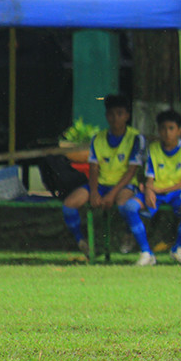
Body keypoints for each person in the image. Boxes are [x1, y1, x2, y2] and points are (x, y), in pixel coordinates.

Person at [61, 94, 148, 261]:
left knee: (124, 204)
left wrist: (112, 194)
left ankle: (129, 234)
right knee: (69, 205)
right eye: (111, 114)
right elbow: (93, 168)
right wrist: (94, 192)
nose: (115, 118)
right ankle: (82, 243)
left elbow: (131, 171)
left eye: (120, 113)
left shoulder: (136, 138)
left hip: (125, 185)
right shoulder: (98, 138)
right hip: (101, 184)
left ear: (127, 116)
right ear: (107, 116)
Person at [121, 109, 181, 267]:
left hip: (177, 192)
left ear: (179, 130)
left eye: (171, 128)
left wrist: (160, 190)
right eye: (163, 128)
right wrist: (149, 190)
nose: (167, 132)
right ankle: (146, 252)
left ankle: (177, 249)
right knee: (130, 206)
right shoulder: (154, 149)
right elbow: (150, 178)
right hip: (156, 192)